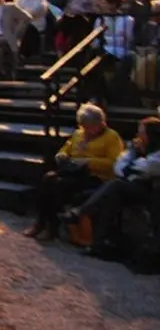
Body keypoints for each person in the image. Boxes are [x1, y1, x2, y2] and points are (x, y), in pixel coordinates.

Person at [23, 103, 124, 241]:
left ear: (100, 123)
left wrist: (88, 161)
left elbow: (114, 163)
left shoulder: (111, 137)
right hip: (74, 170)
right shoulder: (79, 134)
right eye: (84, 127)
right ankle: (41, 222)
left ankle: (52, 226)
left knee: (59, 185)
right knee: (48, 179)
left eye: (89, 127)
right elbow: (67, 147)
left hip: (95, 176)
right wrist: (62, 155)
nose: (86, 130)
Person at [64, 117, 160, 258]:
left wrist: (132, 163)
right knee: (110, 197)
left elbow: (146, 169)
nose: (138, 137)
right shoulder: (138, 149)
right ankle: (98, 244)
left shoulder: (157, 153)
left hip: (150, 191)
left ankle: (80, 213)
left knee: (115, 185)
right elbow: (119, 167)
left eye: (142, 133)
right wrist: (133, 156)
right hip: (130, 185)